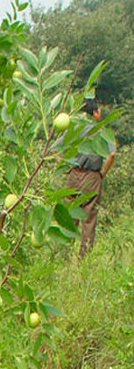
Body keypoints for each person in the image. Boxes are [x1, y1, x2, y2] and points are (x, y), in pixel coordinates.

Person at [64, 98, 116, 257]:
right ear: (94, 113)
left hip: (73, 174)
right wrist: (101, 174)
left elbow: (57, 149)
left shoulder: (74, 128)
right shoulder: (101, 131)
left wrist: (67, 167)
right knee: (89, 219)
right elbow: (112, 154)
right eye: (99, 110)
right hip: (92, 177)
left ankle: (63, 254)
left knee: (68, 217)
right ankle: (83, 260)